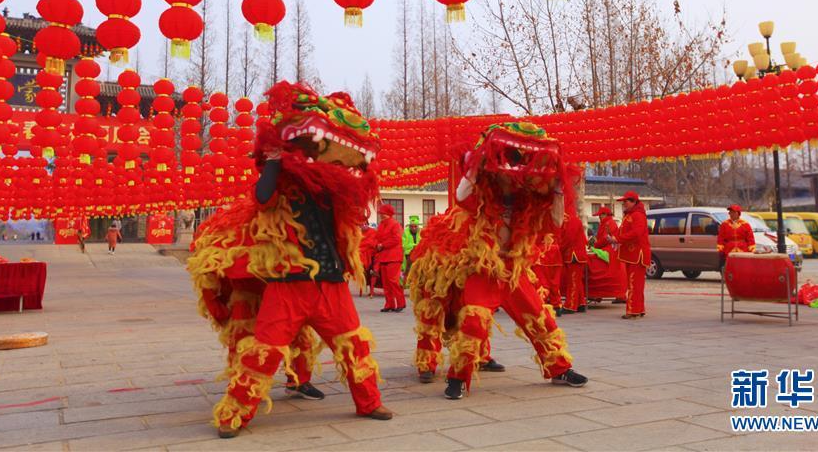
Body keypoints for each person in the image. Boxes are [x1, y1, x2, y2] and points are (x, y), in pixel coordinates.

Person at [188, 82, 393, 438]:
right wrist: (273, 158)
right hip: (289, 285)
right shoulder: (279, 186)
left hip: (330, 285)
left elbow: (359, 193)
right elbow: (262, 196)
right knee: (263, 352)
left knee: (354, 346)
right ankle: (234, 414)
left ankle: (369, 401)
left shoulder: (333, 191)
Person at [408, 122, 588, 399]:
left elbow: (555, 220)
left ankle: (560, 369)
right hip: (484, 269)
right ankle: (457, 378)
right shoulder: (480, 192)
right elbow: (460, 195)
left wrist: (559, 188)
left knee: (541, 319)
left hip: (513, 270)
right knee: (473, 322)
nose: (514, 173)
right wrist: (474, 166)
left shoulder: (527, 199)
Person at [614, 191, 650, 319]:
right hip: (631, 254)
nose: (624, 204)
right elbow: (621, 233)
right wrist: (614, 238)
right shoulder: (629, 215)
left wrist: (619, 239)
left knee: (635, 283)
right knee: (634, 283)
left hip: (637, 254)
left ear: (634, 202)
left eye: (626, 201)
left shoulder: (638, 215)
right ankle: (639, 309)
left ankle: (633, 310)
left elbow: (637, 233)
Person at [591, 206, 627, 303]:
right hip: (611, 250)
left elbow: (604, 238)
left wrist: (595, 245)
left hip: (609, 251)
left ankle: (597, 294)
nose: (599, 217)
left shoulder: (608, 223)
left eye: (600, 215)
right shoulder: (607, 223)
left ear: (605, 215)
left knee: (595, 266)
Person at [374, 204, 405, 312]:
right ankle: (389, 304)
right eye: (381, 213)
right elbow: (377, 237)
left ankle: (401, 303)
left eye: (384, 213)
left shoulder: (395, 224)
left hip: (394, 257)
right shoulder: (381, 224)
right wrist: (377, 244)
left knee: (393, 281)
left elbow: (396, 239)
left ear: (389, 214)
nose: (381, 215)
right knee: (386, 283)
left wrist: (382, 245)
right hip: (384, 256)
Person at [560, 213, 591, 314]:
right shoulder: (573, 219)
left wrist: (559, 247)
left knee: (573, 281)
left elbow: (568, 237)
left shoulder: (571, 220)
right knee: (576, 281)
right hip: (575, 254)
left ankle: (571, 305)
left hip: (574, 255)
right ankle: (581, 303)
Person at [533, 232, 564, 315]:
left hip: (541, 251)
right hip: (555, 250)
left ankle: (542, 305)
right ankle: (557, 306)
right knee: (554, 282)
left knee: (542, 282)